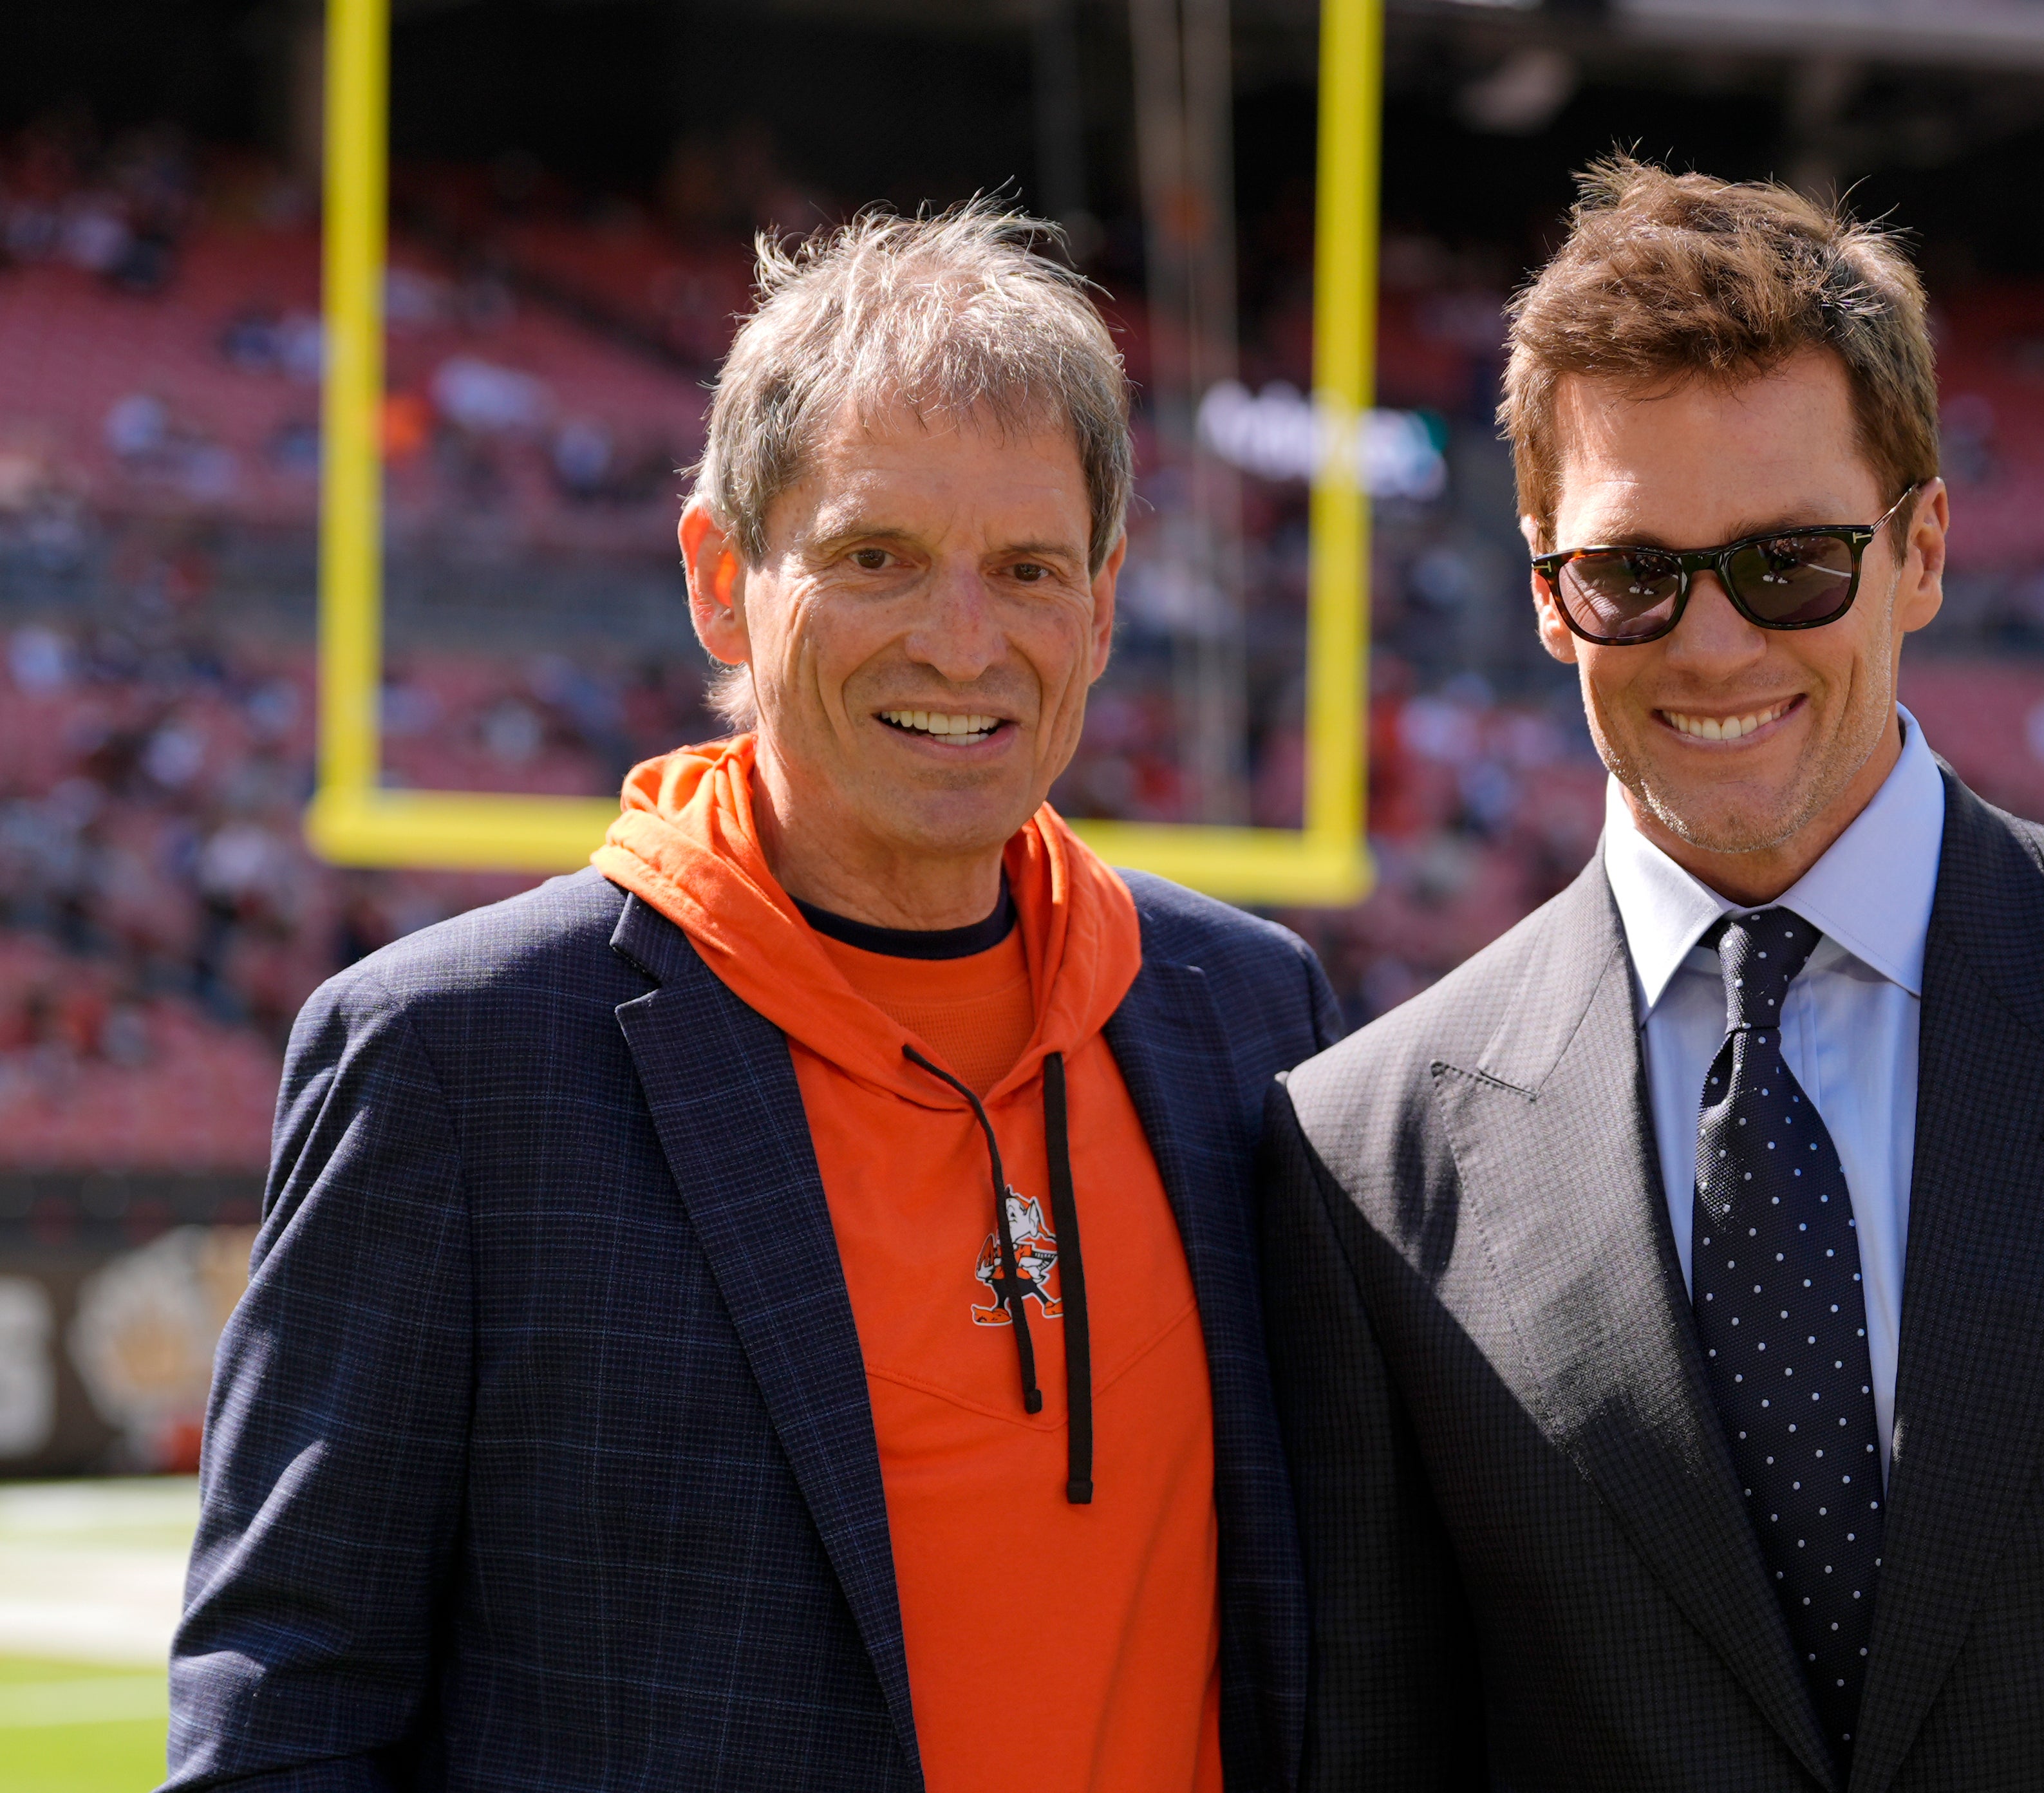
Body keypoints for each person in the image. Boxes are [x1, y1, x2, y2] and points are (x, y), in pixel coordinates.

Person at [1259, 158, 2044, 1793]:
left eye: (1788, 561)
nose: (1710, 644)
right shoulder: (1365, 1156)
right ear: (1545, 595)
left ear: (1921, 548)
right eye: (1632, 573)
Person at [169, 206, 1339, 1792]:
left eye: (1027, 570)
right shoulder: (457, 1059)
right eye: (875, 558)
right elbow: (283, 1715)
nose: (962, 642)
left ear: (1104, 601)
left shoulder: (1246, 1014)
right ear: (722, 580)